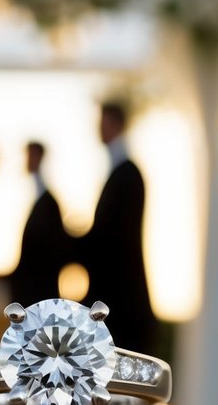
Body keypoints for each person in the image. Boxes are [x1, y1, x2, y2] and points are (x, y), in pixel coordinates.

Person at [81, 101, 158, 354]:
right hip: (118, 298)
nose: (98, 129)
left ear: (116, 125)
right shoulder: (122, 173)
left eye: (103, 123)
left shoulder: (127, 175)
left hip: (122, 300)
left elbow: (115, 240)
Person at [8, 141, 70, 306]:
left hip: (40, 297)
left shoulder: (47, 204)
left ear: (38, 157)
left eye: (29, 155)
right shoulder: (41, 202)